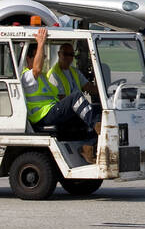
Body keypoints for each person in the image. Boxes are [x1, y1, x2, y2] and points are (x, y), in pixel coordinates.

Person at [21, 28, 100, 163]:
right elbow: (37, 68)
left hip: (53, 110)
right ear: (28, 58)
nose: (43, 59)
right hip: (43, 116)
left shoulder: (43, 78)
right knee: (76, 98)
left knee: (97, 109)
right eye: (38, 56)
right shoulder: (27, 77)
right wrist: (41, 43)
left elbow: (58, 96)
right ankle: (98, 128)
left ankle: (88, 145)